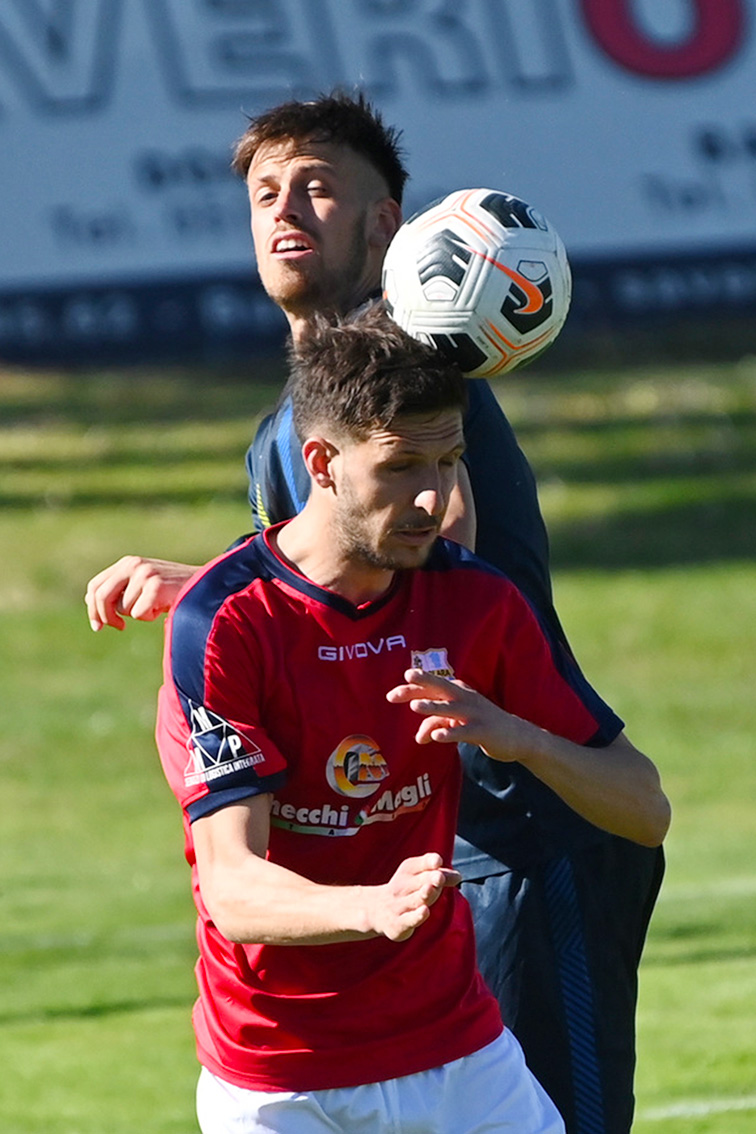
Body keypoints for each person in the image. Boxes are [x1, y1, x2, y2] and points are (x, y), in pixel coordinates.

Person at [85, 92, 667, 1133]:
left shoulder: (428, 381)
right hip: (434, 837)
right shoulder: (298, 419)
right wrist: (208, 586)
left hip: (537, 831)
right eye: (266, 191)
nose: (286, 209)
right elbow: (319, 574)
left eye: (318, 185)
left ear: (392, 224)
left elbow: (445, 583)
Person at [156, 305, 670, 1134]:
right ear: (320, 461)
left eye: (450, 461)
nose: (433, 498)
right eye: (401, 467)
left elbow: (644, 811)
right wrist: (372, 906)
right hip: (285, 1075)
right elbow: (232, 889)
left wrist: (523, 739)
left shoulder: (472, 600)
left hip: (455, 1046)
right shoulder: (225, 624)